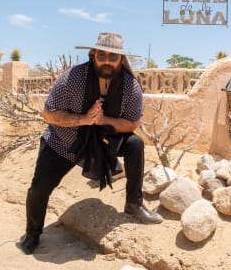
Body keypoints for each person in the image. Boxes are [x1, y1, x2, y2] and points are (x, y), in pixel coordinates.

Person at [18, 32, 162, 255]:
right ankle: (32, 234)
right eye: (101, 55)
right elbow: (48, 114)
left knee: (135, 144)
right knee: (39, 187)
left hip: (104, 141)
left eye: (112, 57)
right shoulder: (73, 79)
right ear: (93, 54)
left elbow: (132, 123)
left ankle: (134, 203)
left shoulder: (130, 86)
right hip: (64, 141)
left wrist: (103, 120)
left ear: (121, 60)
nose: (106, 60)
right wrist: (84, 119)